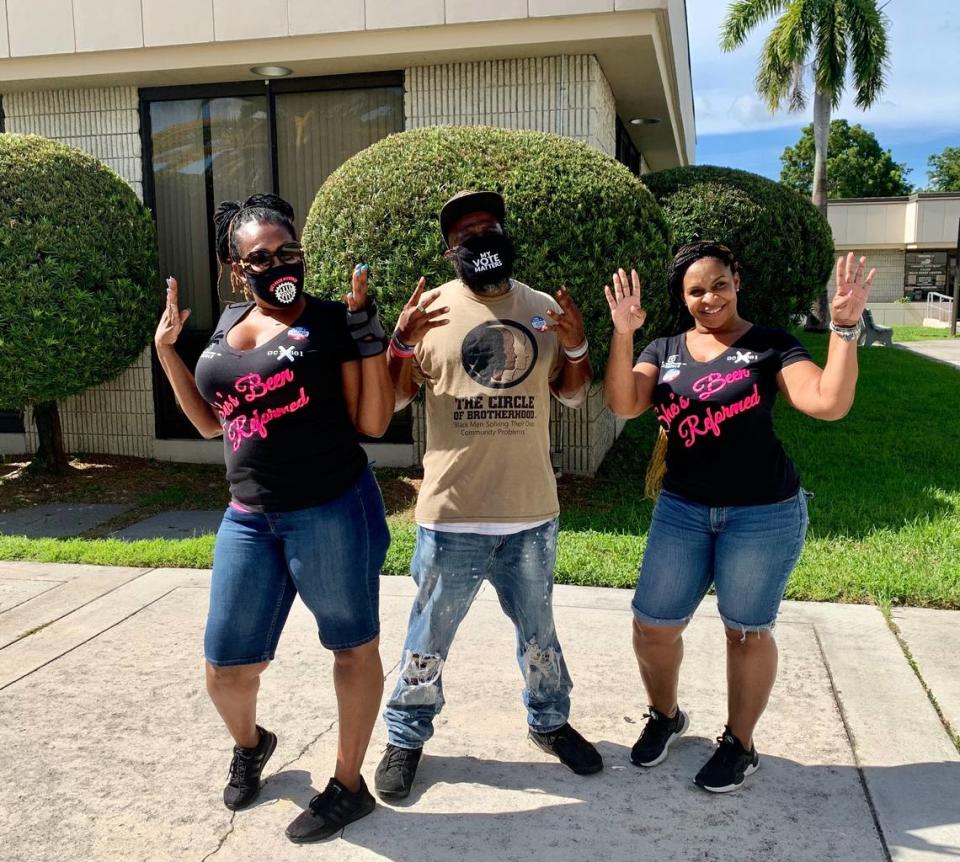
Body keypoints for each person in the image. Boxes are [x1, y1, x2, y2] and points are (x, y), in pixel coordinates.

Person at [153, 194, 393, 843]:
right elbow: (209, 424)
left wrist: (367, 327)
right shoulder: (229, 321)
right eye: (261, 257)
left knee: (352, 645)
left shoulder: (328, 321)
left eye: (288, 252)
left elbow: (372, 421)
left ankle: (348, 785)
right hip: (248, 517)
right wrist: (168, 352)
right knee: (226, 668)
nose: (279, 265)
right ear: (236, 269)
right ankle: (252, 742)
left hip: (330, 509)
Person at [603, 242, 875, 793]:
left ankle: (740, 744)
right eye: (696, 290)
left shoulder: (771, 345)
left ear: (737, 282)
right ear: (683, 297)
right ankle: (666, 716)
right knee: (653, 626)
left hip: (763, 514)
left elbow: (827, 402)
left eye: (719, 285)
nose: (709, 298)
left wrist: (844, 330)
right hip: (682, 509)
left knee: (746, 632)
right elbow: (625, 404)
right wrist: (625, 333)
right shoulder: (665, 347)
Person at [374, 190, 604, 800]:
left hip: (529, 512)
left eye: (488, 226)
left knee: (539, 632)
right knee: (427, 636)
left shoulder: (542, 308)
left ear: (504, 233)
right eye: (466, 232)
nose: (480, 237)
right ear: (451, 249)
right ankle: (406, 734)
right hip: (452, 514)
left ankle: (550, 723)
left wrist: (577, 346)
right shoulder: (431, 311)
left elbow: (574, 395)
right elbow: (396, 399)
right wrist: (399, 343)